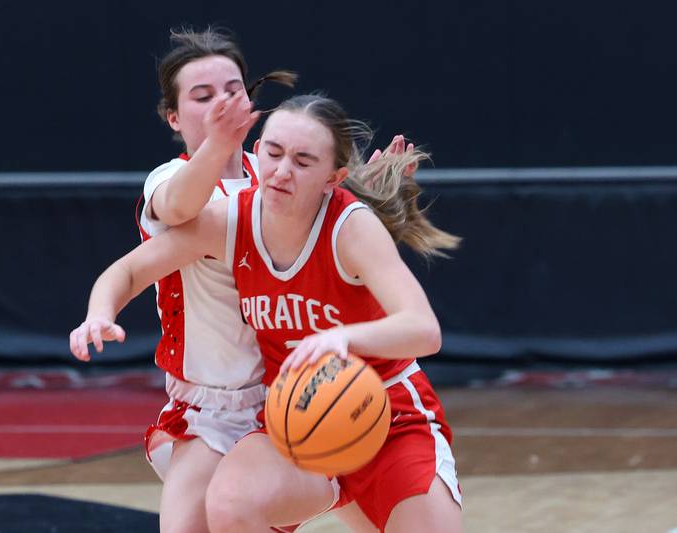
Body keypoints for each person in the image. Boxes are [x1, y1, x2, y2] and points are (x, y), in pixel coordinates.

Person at [70, 93, 462, 532]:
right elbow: (128, 270)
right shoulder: (231, 220)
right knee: (230, 501)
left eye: (302, 161)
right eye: (273, 153)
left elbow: (424, 330)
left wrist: (342, 339)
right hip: (297, 413)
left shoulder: (351, 227)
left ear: (333, 177)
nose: (281, 171)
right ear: (257, 151)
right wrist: (99, 314)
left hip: (387, 411)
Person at [75, 27, 295, 533]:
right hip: (210, 410)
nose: (223, 101)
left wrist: (385, 191)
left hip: (292, 399)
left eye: (234, 89)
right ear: (174, 118)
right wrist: (100, 313)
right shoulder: (167, 181)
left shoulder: (281, 175)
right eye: (203, 95)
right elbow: (177, 209)